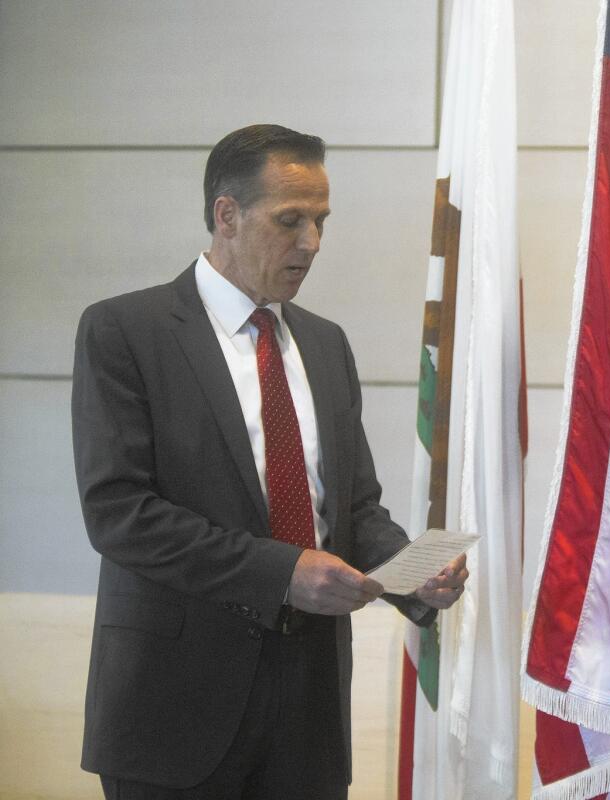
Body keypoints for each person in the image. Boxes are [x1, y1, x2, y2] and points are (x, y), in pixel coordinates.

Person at [71, 124, 469, 799]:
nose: (311, 243)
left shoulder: (325, 344)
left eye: (321, 221)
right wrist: (283, 572)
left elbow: (354, 507)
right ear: (227, 215)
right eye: (291, 220)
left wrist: (412, 573)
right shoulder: (125, 332)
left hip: (309, 711)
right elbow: (120, 515)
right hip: (174, 706)